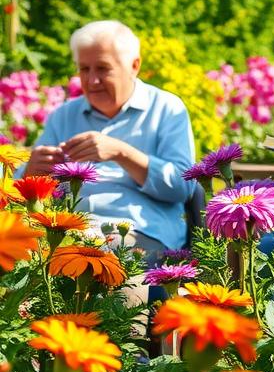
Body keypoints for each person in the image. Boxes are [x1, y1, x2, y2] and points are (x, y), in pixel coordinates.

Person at [22, 20, 195, 260]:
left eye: (103, 68)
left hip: (137, 233)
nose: (92, 80)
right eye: (84, 69)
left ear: (134, 66)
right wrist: (32, 171)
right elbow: (21, 183)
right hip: (66, 230)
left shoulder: (166, 108)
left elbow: (183, 187)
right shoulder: (64, 115)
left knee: (97, 260)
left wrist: (122, 153)